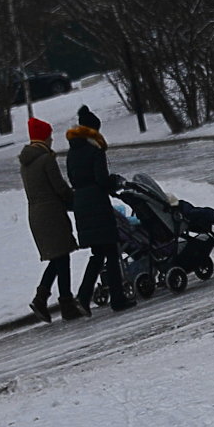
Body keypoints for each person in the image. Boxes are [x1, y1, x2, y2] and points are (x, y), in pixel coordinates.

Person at [66, 105, 134, 313]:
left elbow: (74, 179)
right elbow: (102, 180)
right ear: (93, 130)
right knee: (111, 252)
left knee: (98, 254)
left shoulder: (72, 151)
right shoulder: (95, 150)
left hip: (82, 204)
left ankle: (84, 297)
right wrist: (115, 183)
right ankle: (118, 299)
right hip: (97, 203)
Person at [19, 116, 85, 322]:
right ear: (43, 137)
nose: (51, 140)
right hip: (52, 214)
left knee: (58, 257)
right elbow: (59, 188)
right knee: (62, 257)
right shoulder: (46, 159)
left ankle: (41, 298)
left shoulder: (26, 163)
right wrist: (76, 201)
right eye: (49, 137)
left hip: (37, 215)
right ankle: (66, 304)